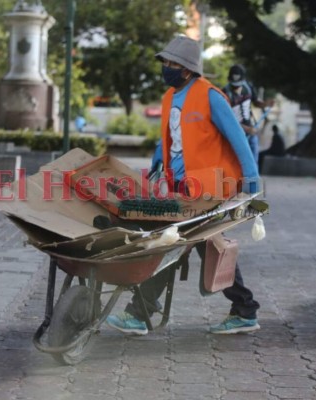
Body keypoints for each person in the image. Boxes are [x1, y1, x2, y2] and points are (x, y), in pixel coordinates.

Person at [106, 36, 261, 335]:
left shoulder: (211, 96)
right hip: (179, 188)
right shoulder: (169, 97)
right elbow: (170, 138)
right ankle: (244, 309)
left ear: (188, 70)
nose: (166, 68)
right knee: (200, 244)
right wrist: (156, 160)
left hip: (207, 189)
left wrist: (252, 181)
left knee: (172, 244)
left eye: (172, 64)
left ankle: (139, 313)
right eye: (165, 62)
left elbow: (239, 140)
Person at [223, 64, 272, 166]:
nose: (236, 87)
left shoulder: (248, 87)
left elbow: (256, 102)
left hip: (250, 129)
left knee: (253, 159)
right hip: (234, 132)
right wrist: (246, 129)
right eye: (234, 85)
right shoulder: (224, 92)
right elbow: (227, 118)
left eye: (238, 84)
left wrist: (266, 104)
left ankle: (253, 179)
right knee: (236, 161)